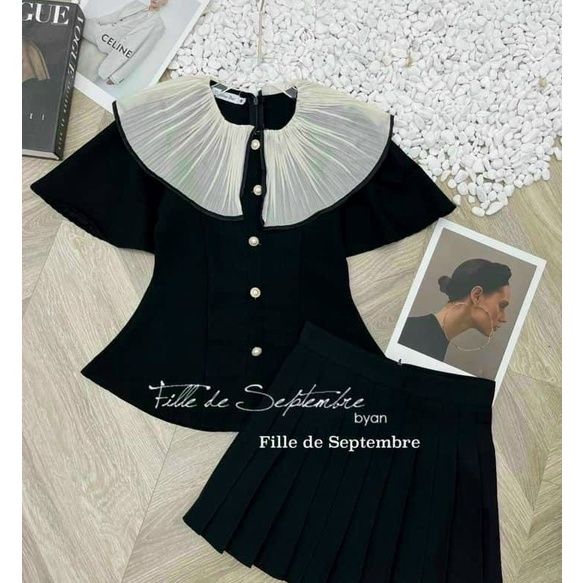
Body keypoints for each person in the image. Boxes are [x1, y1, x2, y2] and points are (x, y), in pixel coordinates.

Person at [399, 258, 512, 361]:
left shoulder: (430, 340)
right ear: (477, 296)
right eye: (502, 306)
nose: (504, 318)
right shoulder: (409, 334)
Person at [79, 0, 167, 85]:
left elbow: (141, 54)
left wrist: (117, 77)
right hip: (102, 32)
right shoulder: (136, 4)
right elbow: (113, 17)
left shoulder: (158, 26)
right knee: (77, 22)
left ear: (165, 1)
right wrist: (91, 22)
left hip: (113, 46)